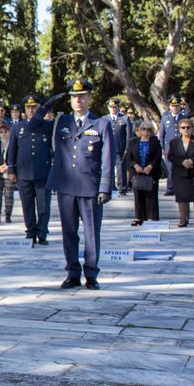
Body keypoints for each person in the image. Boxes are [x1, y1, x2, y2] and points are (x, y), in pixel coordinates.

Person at [46, 79, 114, 290]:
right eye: (74, 97)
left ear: (90, 98)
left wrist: (105, 187)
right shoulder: (62, 122)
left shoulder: (101, 123)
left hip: (90, 187)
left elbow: (107, 158)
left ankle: (91, 274)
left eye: (82, 96)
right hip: (66, 186)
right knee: (69, 232)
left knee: (92, 233)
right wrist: (49, 103)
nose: (78, 100)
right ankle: (72, 273)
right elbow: (33, 125)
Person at [7, 93, 53, 244]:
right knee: (27, 205)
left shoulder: (47, 126)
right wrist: (11, 170)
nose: (31, 110)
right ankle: (30, 231)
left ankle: (42, 232)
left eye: (34, 107)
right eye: (28, 107)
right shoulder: (18, 127)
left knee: (43, 206)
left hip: (43, 172)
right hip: (23, 173)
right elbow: (12, 149)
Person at [168, 118, 194, 227]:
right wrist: (182, 162)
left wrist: (192, 161)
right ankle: (183, 219)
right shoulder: (174, 142)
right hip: (180, 173)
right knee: (182, 197)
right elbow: (171, 156)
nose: (186, 129)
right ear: (179, 129)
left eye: (188, 127)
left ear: (192, 128)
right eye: (183, 127)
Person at [124, 121, 162, 226]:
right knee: (138, 196)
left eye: (149, 129)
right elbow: (129, 157)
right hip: (137, 173)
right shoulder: (133, 142)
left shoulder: (155, 142)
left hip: (151, 172)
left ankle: (152, 218)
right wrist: (135, 165)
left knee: (151, 196)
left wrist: (150, 166)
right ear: (139, 131)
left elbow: (157, 157)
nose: (146, 131)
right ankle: (138, 217)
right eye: (143, 129)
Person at [106, 98, 133, 195]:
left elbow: (129, 135)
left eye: (115, 107)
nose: (113, 109)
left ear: (118, 107)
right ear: (108, 108)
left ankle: (122, 188)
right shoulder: (104, 119)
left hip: (120, 148)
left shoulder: (124, 118)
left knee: (121, 168)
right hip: (107, 147)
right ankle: (110, 186)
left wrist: (127, 148)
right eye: (111, 107)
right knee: (108, 168)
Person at [158, 95, 184, 196]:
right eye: (173, 106)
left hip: (181, 147)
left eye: (177, 106)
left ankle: (180, 188)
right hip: (169, 147)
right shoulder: (165, 118)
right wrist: (162, 148)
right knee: (169, 168)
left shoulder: (184, 117)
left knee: (180, 168)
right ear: (169, 106)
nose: (175, 108)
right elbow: (162, 134)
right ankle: (170, 188)